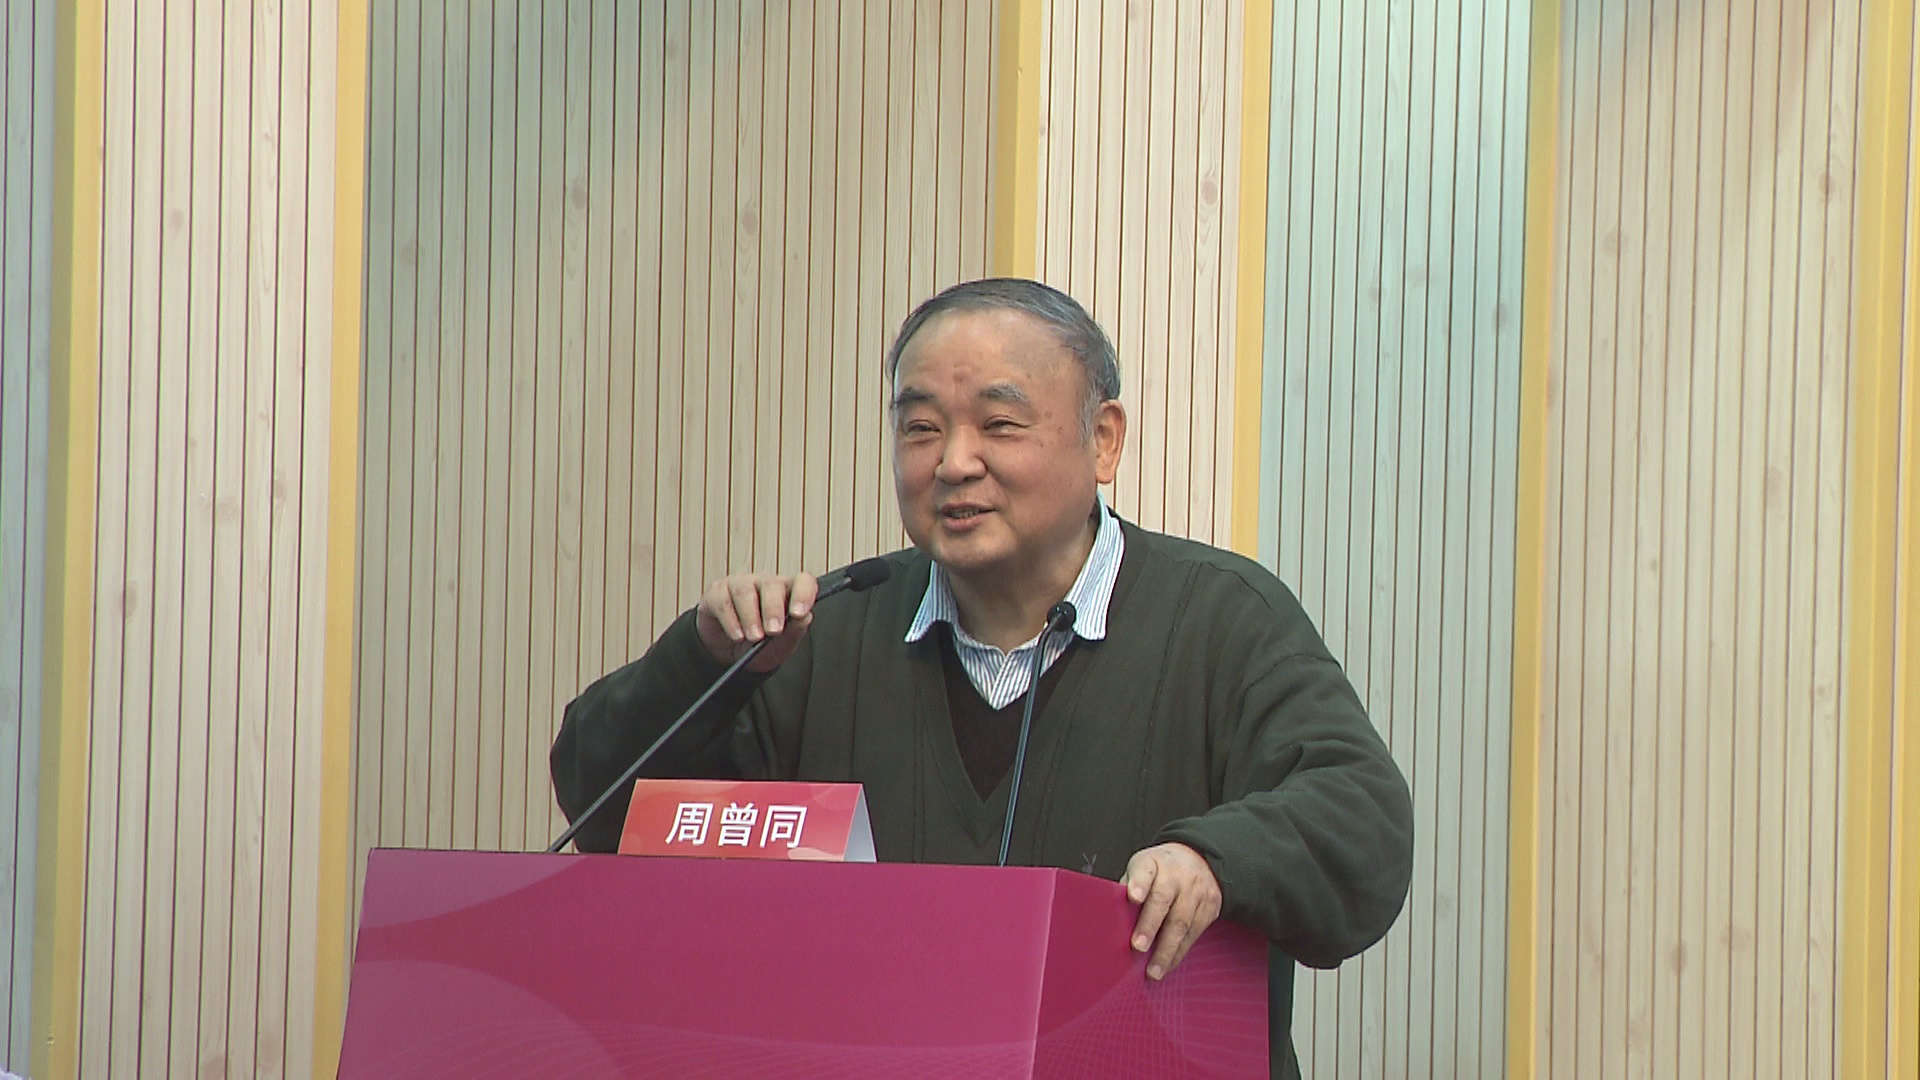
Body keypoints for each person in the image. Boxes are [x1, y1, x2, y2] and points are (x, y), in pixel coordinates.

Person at [551, 278, 1414, 1079]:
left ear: (1103, 440)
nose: (954, 462)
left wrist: (1215, 860)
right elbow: (605, 809)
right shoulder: (825, 630)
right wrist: (704, 662)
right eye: (921, 429)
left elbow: (1361, 816)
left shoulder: (1221, 617)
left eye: (998, 425)